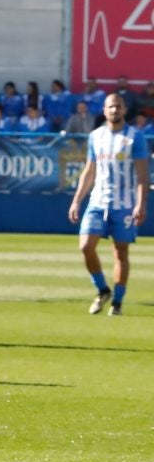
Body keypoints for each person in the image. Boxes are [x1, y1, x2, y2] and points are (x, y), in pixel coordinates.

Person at [69, 93, 149, 317]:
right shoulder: (95, 136)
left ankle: (117, 302)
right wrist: (77, 201)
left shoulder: (135, 138)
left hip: (124, 204)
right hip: (98, 201)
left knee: (120, 252)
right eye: (110, 107)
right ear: (104, 110)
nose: (114, 110)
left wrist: (140, 204)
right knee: (85, 246)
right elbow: (89, 170)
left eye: (118, 107)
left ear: (124, 110)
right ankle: (103, 289)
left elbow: (143, 176)